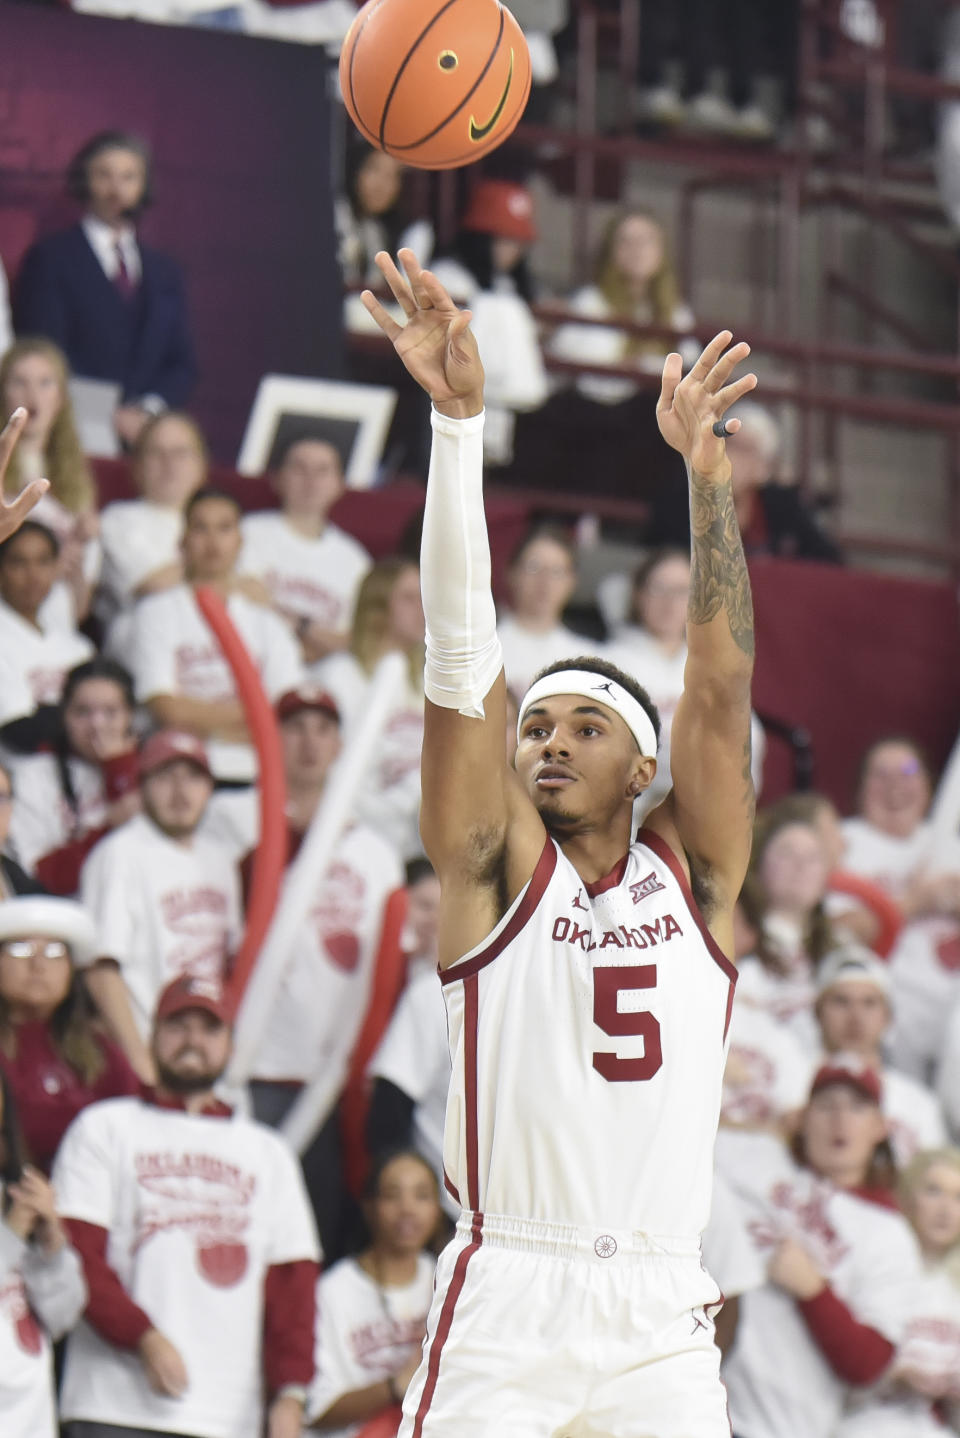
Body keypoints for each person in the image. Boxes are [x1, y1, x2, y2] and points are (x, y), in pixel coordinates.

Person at [363, 247, 758, 1436]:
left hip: (658, 1304)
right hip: (511, 1292)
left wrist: (706, 480)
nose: (547, 742)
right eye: (536, 725)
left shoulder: (694, 872)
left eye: (585, 726)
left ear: (645, 770)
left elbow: (721, 690)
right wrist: (457, 426)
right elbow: (458, 659)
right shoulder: (492, 865)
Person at [53, 972, 320, 1438]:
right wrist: (143, 1337)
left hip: (226, 1416)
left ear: (231, 1046)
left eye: (209, 1029)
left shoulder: (269, 1154)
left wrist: (290, 1394)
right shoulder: (103, 1128)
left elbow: (292, 1291)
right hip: (112, 1405)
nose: (193, 1041)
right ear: (153, 1036)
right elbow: (76, 1257)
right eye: (178, 1026)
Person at [239, 684, 403, 1256]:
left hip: (333, 1073)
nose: (309, 743)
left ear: (340, 744)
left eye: (322, 729)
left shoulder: (376, 854)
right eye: (295, 727)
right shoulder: (239, 831)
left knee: (318, 1231)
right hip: (253, 1064)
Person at [723, 1059, 923, 1438]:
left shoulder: (888, 1233)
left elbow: (869, 1363)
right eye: (827, 1105)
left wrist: (814, 1292)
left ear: (880, 1128)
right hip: (694, 1405)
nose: (840, 1120)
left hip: (778, 1426)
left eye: (857, 1107)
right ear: (801, 1117)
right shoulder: (755, 1157)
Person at [79, 730, 242, 1083]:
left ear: (209, 788)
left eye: (192, 778)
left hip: (205, 1059)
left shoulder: (221, 859)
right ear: (142, 786)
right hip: (147, 1058)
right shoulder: (120, 853)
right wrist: (142, 1066)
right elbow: (101, 970)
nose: (181, 792)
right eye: (166, 777)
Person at [14, 130, 196, 445]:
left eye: (129, 177)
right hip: (72, 430)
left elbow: (182, 363)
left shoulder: (165, 272)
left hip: (144, 439)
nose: (117, 189)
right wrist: (106, 412)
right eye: (104, 175)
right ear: (85, 181)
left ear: (143, 186)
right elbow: (44, 349)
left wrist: (147, 411)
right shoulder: (51, 258)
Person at [131, 486, 304, 784]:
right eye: (201, 528)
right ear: (182, 540)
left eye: (224, 528)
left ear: (239, 542)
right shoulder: (156, 612)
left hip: (255, 775)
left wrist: (202, 721)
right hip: (177, 770)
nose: (213, 541)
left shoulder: (267, 624)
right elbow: (166, 709)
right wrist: (251, 718)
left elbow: (286, 716)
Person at [531, 208, 697, 501]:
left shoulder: (677, 314)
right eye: (626, 242)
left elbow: (690, 368)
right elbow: (577, 361)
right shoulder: (591, 302)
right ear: (611, 251)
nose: (637, 251)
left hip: (649, 419)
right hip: (594, 414)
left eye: (646, 242)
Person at [605, 547, 765, 812]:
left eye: (682, 592)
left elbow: (748, 740)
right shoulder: (606, 664)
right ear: (638, 594)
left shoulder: (715, 668)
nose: (670, 603)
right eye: (659, 589)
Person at [842, 737, 960, 1080]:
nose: (895, 786)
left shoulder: (946, 846)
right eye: (880, 774)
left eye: (908, 772)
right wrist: (914, 902)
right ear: (860, 789)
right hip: (893, 1014)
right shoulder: (846, 843)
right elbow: (837, 935)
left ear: (929, 786)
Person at [306, 1149, 441, 1435]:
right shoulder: (333, 1291)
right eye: (393, 1195)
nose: (407, 1209)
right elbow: (316, 1410)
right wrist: (395, 1386)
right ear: (369, 1205)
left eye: (422, 1195)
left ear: (438, 1209)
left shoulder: (449, 1282)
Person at [0, 896, 137, 1174]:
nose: (38, 965)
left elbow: (130, 1135)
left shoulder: (103, 1054)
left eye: (53, 952)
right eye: (20, 950)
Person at [835, 1147, 960, 1437]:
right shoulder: (876, 1264)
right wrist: (896, 1374)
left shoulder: (953, 1287)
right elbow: (839, 1361)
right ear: (908, 1196)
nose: (946, 1209)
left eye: (958, 1197)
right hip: (864, 1421)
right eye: (933, 1191)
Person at [312, 558, 425, 859]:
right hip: (357, 835)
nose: (423, 609)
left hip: (417, 843)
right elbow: (330, 765)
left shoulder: (427, 683)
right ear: (378, 605)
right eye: (409, 598)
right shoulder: (338, 675)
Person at [430, 180, 548, 465]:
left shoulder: (508, 284)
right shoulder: (447, 274)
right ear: (480, 237)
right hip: (441, 407)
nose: (513, 250)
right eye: (504, 239)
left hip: (493, 414)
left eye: (518, 242)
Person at [0, 1068, 87, 1438]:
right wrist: (12, 1236)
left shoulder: (14, 1192)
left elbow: (62, 1315)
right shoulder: (13, 1222)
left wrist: (52, 1240)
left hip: (29, 1417)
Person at [7, 658, 140, 893]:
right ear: (64, 716)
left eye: (110, 712)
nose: (97, 725)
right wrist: (107, 830)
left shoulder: (154, 768)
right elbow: (38, 876)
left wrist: (119, 767)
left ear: (130, 716)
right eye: (83, 712)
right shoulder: (34, 775)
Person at [367, 862, 453, 1215]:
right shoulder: (426, 994)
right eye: (424, 905)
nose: (435, 919)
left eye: (444, 907)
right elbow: (389, 1109)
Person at [240, 435, 371, 663]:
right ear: (278, 479)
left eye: (322, 471)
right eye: (299, 468)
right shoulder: (247, 533)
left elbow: (353, 643)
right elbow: (239, 602)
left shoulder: (356, 561)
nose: (311, 480)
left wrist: (297, 624)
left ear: (339, 485)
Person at [815, 944, 947, 1165]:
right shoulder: (793, 1082)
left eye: (869, 1003)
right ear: (818, 1013)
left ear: (888, 1017)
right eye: (841, 1001)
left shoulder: (920, 1104)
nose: (856, 1017)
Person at [0, 337, 100, 623]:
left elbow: (80, 611)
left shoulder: (79, 481)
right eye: (19, 382)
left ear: (61, 398)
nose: (32, 395)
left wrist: (79, 557)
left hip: (57, 634)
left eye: (45, 383)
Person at [736, 798, 838, 1047]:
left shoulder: (840, 950)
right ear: (760, 865)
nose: (800, 866)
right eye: (786, 853)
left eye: (812, 858)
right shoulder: (738, 940)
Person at [98, 410, 208, 632]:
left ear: (202, 466)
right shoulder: (117, 520)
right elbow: (152, 589)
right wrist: (223, 574)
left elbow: (256, 594)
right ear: (137, 467)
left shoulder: (220, 520)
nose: (169, 463)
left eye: (180, 453)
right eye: (156, 453)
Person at [0, 522, 95, 749]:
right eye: (19, 562)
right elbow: (19, 732)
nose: (33, 575)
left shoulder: (77, 646)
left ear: (56, 568)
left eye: (43, 562)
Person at [496, 527, 586, 697]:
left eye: (557, 571)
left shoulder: (587, 658)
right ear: (511, 573)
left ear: (572, 581)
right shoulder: (483, 651)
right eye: (533, 567)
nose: (545, 582)